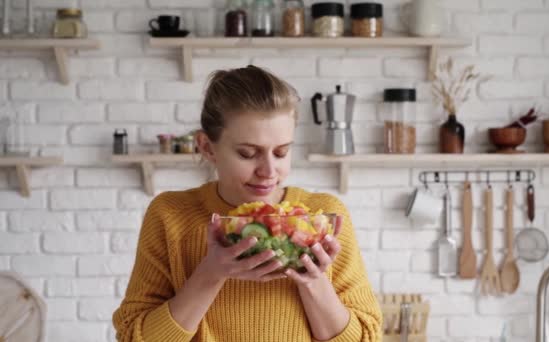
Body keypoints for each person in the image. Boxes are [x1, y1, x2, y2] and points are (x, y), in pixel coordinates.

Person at [112, 65, 382, 342]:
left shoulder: (323, 216)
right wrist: (211, 273)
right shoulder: (171, 215)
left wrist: (313, 280)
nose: (268, 171)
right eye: (247, 153)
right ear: (206, 147)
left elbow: (366, 338)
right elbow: (133, 337)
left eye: (281, 152)